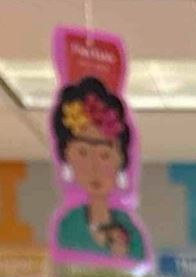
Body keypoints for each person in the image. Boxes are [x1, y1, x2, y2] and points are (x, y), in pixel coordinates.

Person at [51, 75, 147, 262]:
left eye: (104, 155)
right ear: (67, 157)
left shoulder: (131, 233)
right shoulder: (67, 227)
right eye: (83, 153)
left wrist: (121, 256)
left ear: (121, 160)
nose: (94, 168)